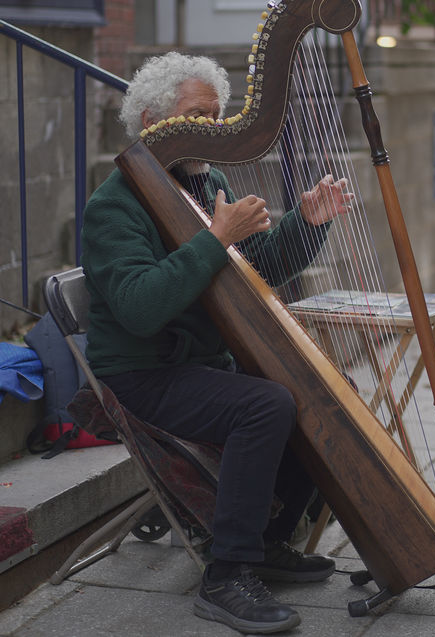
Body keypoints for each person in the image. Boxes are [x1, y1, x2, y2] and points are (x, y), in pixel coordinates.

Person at [81, 52, 353, 634]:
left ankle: (268, 543)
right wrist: (215, 238)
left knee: (316, 391)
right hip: (141, 372)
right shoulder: (113, 206)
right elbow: (140, 308)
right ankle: (226, 574)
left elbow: (248, 275)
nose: (213, 127)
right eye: (197, 115)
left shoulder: (207, 183)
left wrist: (305, 225)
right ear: (153, 121)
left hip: (200, 365)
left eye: (218, 114)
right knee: (266, 403)